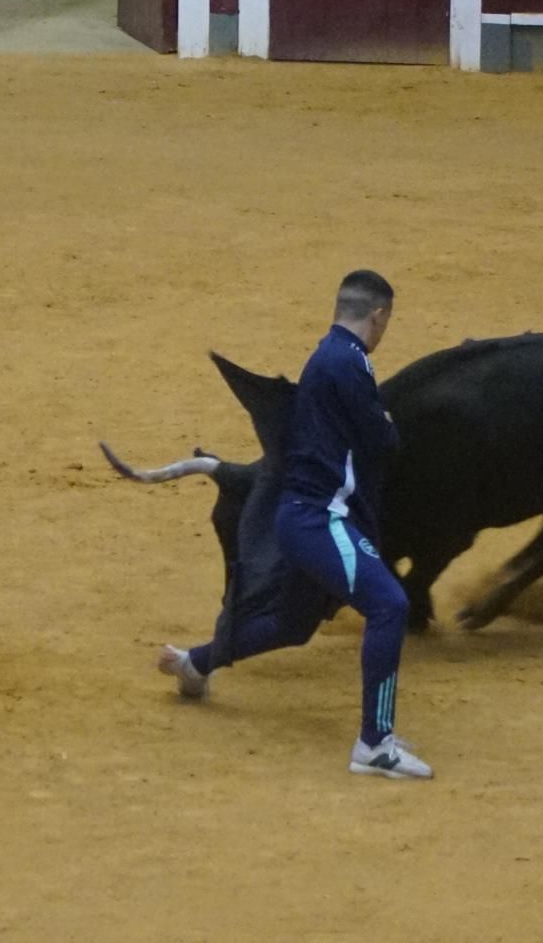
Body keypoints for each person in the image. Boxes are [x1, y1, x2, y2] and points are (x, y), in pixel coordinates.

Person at [157, 271, 433, 780]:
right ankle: (375, 743)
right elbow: (384, 443)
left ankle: (194, 664)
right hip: (321, 521)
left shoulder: (328, 355)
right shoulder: (350, 363)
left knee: (291, 624)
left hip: (304, 519)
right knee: (391, 606)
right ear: (379, 316)